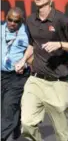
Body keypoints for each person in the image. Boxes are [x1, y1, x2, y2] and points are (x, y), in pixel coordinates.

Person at [15, 0, 68, 141]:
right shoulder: (31, 20)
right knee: (26, 123)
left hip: (58, 82)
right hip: (36, 80)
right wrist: (24, 60)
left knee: (62, 134)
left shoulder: (61, 19)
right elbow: (32, 45)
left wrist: (59, 44)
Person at [1, 8, 30, 141]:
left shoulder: (27, 32)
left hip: (17, 76)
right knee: (8, 109)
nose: (12, 23)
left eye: (16, 21)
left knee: (9, 108)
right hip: (2, 74)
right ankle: (16, 134)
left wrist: (24, 63)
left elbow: (34, 51)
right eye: (10, 20)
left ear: (21, 21)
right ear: (6, 17)